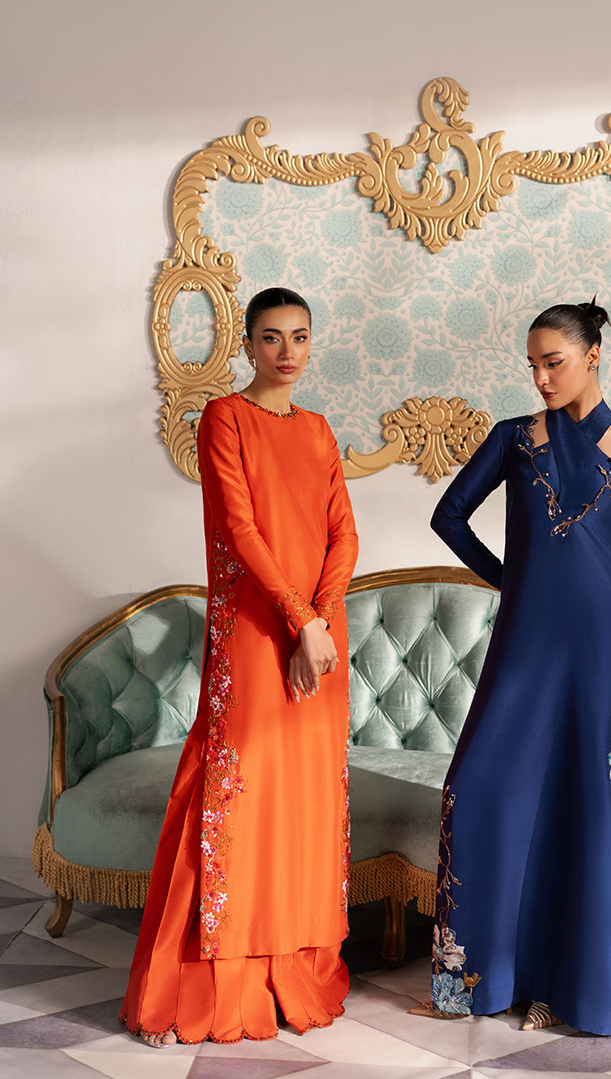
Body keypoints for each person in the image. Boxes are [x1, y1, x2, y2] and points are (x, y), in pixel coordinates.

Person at [421, 298, 611, 1036]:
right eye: (533, 365)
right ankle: (485, 978)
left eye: (553, 362)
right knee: (477, 789)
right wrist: (509, 577)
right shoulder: (513, 440)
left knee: (592, 806)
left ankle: (575, 993)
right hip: (527, 641)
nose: (541, 378)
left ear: (593, 357)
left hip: (607, 650)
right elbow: (448, 516)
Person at [121, 286, 359, 1046]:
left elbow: (343, 534)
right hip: (258, 631)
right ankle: (203, 983)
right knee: (240, 788)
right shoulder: (224, 418)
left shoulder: (318, 430)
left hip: (318, 637)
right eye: (272, 337)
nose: (288, 351)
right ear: (248, 345)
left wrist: (320, 621)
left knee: (303, 796)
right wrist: (299, 620)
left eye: (300, 336)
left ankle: (292, 970)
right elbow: (241, 528)